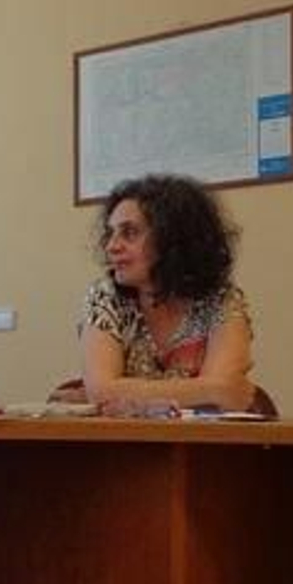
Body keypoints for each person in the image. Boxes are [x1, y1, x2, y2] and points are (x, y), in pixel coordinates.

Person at [78, 173, 255, 411]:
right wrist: (210, 389)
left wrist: (126, 392)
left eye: (129, 233)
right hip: (123, 436)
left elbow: (226, 401)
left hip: (201, 436)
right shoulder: (106, 296)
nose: (111, 246)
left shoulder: (221, 299)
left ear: (172, 239)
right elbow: (101, 392)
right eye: (111, 233)